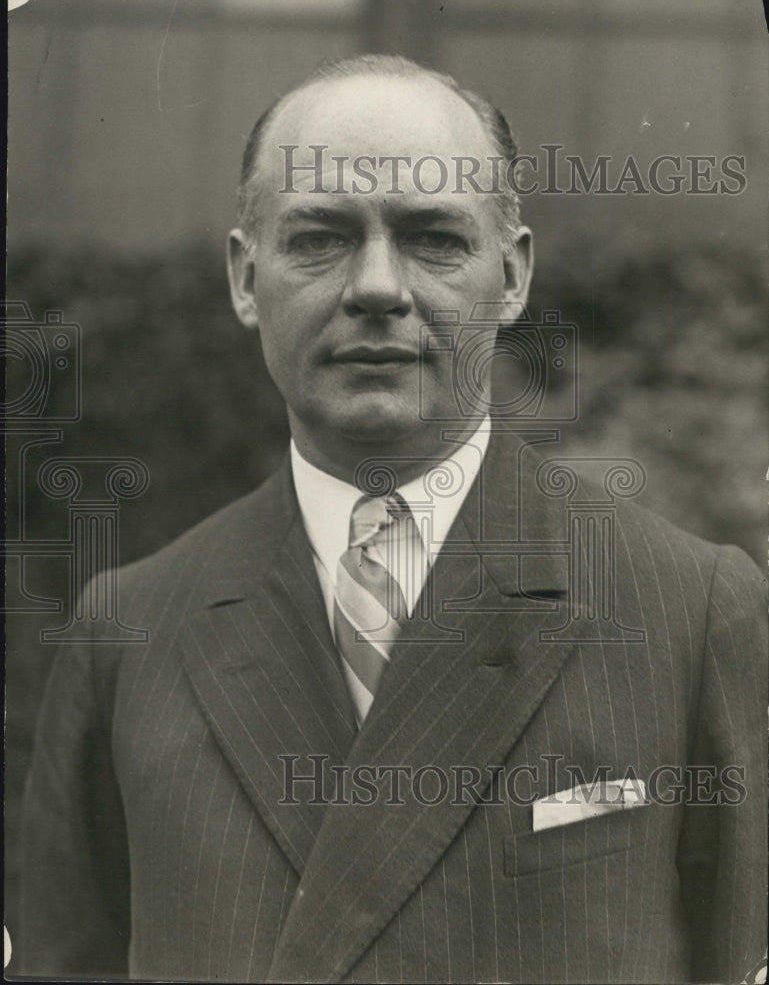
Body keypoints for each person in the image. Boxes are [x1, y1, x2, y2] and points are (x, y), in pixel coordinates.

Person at [19, 55, 767, 984]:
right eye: (319, 238)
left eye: (432, 239)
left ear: (513, 276)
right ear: (245, 279)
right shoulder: (127, 633)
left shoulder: (689, 613)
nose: (376, 286)